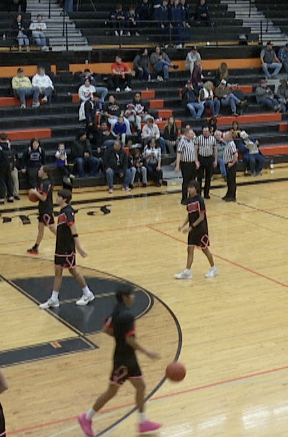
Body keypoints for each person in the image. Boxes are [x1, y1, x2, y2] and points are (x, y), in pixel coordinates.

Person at [76, 284, 163, 437]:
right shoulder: (128, 315)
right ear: (125, 297)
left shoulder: (117, 310)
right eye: (131, 295)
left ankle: (143, 422)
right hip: (124, 360)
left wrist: (119, 337)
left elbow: (106, 329)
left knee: (141, 386)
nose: (133, 297)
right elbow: (129, 339)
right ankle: (86, 417)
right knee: (111, 391)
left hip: (126, 356)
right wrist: (146, 352)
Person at [37, 189, 96, 308]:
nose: (56, 198)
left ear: (64, 199)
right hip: (60, 245)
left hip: (67, 247)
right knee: (58, 271)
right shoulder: (62, 211)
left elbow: (73, 229)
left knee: (72, 270)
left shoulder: (68, 212)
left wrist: (79, 247)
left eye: (58, 197)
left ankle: (87, 293)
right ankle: (54, 299)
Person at [174, 182, 218, 279]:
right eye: (188, 187)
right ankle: (187, 271)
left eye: (191, 187)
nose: (189, 189)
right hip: (192, 229)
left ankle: (213, 268)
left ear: (196, 189)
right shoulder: (189, 200)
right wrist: (182, 225)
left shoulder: (200, 201)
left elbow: (201, 217)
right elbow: (189, 215)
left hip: (201, 229)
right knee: (189, 249)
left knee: (204, 249)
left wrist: (191, 227)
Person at [26, 167, 54, 255]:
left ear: (45, 173)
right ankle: (35, 247)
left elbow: (43, 198)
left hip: (46, 209)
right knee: (40, 229)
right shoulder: (43, 182)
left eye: (40, 170)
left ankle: (66, 243)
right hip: (43, 208)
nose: (38, 171)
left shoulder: (45, 184)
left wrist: (34, 192)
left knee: (53, 229)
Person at [195, 126, 216, 198]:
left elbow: (215, 149)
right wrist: (196, 160)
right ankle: (198, 193)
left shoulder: (213, 138)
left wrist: (215, 160)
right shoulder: (198, 138)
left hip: (209, 158)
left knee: (208, 177)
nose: (205, 132)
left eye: (206, 131)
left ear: (209, 131)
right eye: (204, 131)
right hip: (201, 158)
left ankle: (206, 193)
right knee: (199, 177)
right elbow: (196, 150)